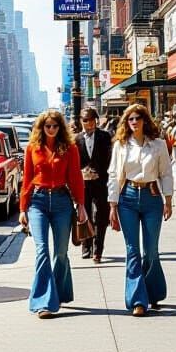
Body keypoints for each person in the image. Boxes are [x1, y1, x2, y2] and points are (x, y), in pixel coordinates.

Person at [18, 109, 87, 318]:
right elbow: (27, 179)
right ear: (41, 127)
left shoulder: (70, 148)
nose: (51, 129)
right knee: (42, 251)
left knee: (61, 253)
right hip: (37, 201)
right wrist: (23, 209)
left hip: (61, 202)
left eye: (55, 126)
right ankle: (43, 302)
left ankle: (59, 293)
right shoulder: (32, 148)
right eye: (47, 126)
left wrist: (81, 205)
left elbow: (75, 178)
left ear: (60, 128)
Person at [108, 103, 174, 317]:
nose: (134, 122)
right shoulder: (121, 145)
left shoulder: (158, 144)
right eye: (130, 119)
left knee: (151, 250)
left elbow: (166, 173)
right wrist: (112, 205)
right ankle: (137, 300)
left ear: (145, 120)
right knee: (132, 250)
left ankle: (153, 292)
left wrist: (169, 201)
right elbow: (113, 174)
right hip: (127, 197)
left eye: (137, 118)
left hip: (152, 197)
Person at [74, 106, 112, 262]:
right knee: (84, 214)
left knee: (101, 216)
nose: (88, 123)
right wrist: (82, 171)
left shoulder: (104, 136)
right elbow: (74, 161)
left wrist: (98, 171)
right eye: (85, 120)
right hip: (83, 183)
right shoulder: (76, 139)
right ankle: (86, 246)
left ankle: (98, 250)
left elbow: (109, 157)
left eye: (91, 120)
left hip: (100, 181)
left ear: (96, 121)